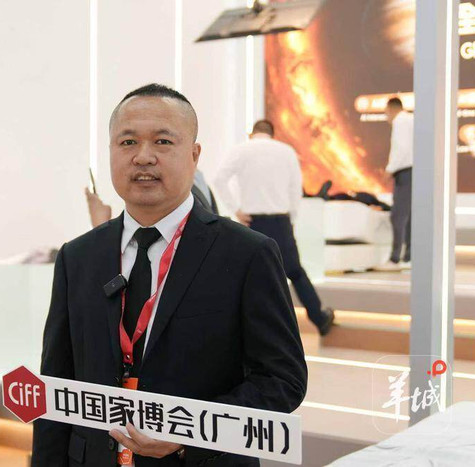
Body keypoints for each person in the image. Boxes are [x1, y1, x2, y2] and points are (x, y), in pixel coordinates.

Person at [33, 84, 307, 466]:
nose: (143, 156)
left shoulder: (247, 254)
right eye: (128, 142)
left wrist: (188, 433)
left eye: (162, 141)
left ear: (194, 155)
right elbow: (56, 388)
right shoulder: (77, 257)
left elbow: (282, 381)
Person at [214, 120, 334, 336]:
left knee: (249, 278)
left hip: (251, 223)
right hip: (280, 221)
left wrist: (236, 210)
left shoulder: (242, 150)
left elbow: (219, 179)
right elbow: (295, 189)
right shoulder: (286, 151)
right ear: (272, 133)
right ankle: (319, 318)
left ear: (252, 133)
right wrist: (291, 218)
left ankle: (246, 329)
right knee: (295, 272)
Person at [85, 169, 219, 228]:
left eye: (162, 142)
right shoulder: (196, 179)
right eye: (129, 142)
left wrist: (101, 224)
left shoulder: (186, 191)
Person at [377, 97, 413, 271]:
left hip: (405, 172)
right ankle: (409, 257)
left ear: (391, 109)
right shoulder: (411, 119)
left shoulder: (400, 121)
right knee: (410, 216)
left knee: (398, 215)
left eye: (386, 113)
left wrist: (389, 170)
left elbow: (401, 149)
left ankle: (395, 258)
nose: (386, 118)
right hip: (413, 172)